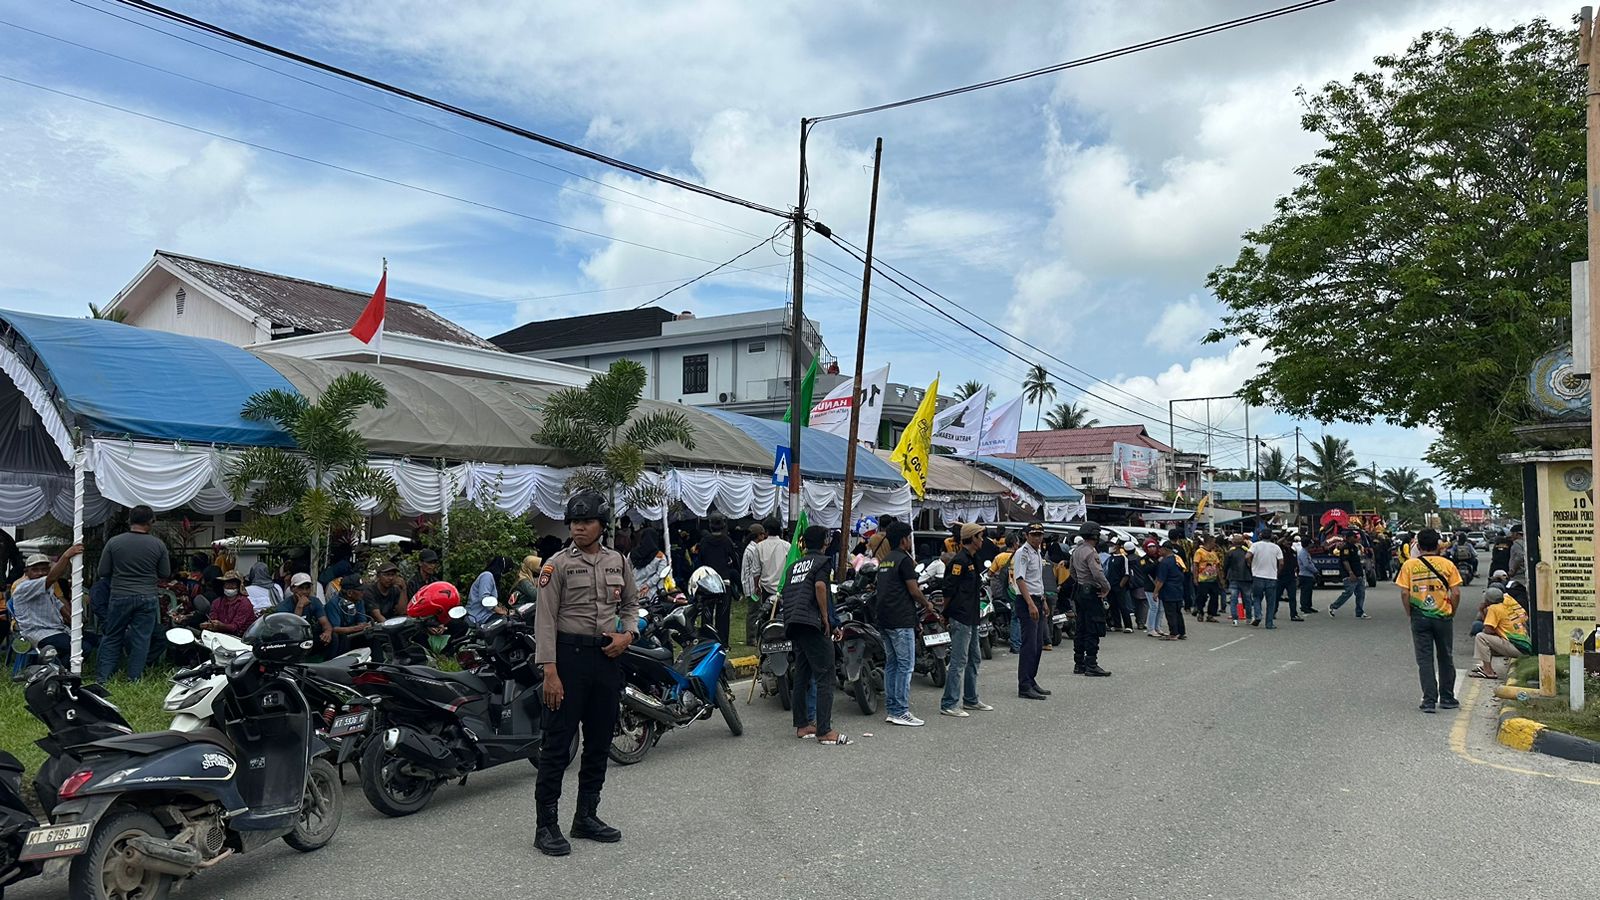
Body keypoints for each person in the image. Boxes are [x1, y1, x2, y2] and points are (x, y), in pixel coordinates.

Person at [533, 492, 640, 857]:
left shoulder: (618, 562)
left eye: (587, 521)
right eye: (574, 522)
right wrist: (550, 671)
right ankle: (546, 825)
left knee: (598, 743)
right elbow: (544, 620)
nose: (579, 527)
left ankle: (586, 817)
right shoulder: (557, 565)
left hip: (606, 659)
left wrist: (627, 634)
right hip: (568, 660)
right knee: (558, 746)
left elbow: (630, 604)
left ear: (601, 526)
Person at [780, 524, 848, 744]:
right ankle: (824, 730)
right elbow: (821, 588)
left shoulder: (794, 566)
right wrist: (827, 619)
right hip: (811, 623)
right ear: (825, 542)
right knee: (826, 676)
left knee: (802, 674)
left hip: (793, 623)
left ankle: (802, 725)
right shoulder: (822, 562)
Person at [97, 504, 171, 681]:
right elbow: (165, 573)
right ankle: (134, 678)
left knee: (112, 636)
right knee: (141, 640)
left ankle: (103, 678)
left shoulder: (114, 542)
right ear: (151, 521)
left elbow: (103, 571)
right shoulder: (158, 545)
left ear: (130, 520)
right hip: (147, 596)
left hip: (120, 595)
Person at [1395, 528, 1462, 713]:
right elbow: (1455, 592)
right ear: (1438, 544)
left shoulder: (1409, 565)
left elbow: (1404, 592)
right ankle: (1447, 697)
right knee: (1445, 656)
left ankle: (1429, 700)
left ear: (1419, 545)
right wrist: (1452, 611)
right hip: (1443, 616)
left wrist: (1410, 613)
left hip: (1419, 616)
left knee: (1424, 660)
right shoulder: (1448, 565)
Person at [877, 521, 933, 727]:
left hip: (884, 619)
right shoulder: (904, 560)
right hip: (900, 619)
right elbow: (913, 590)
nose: (910, 541)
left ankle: (893, 709)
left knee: (892, 664)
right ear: (903, 540)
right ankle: (900, 710)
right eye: (909, 538)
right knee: (905, 665)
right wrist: (927, 604)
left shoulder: (885, 560)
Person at [939, 524, 994, 716]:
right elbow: (948, 590)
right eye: (980, 537)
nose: (982, 540)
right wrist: (945, 613)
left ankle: (970, 699)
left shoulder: (974, 559)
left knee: (974, 658)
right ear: (971, 538)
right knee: (959, 660)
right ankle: (949, 703)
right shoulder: (959, 561)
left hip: (972, 616)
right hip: (960, 616)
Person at [10, 546, 81, 657]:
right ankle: (58, 672)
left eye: (44, 570)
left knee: (92, 640)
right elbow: (52, 578)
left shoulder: (48, 587)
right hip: (37, 633)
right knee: (80, 647)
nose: (40, 573)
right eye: (35, 570)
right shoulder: (24, 586)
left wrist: (75, 622)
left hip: (56, 630)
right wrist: (66, 556)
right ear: (26, 572)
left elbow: (60, 605)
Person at [1011, 522, 1050, 700]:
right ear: (1026, 535)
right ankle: (1024, 685)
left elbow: (1036, 580)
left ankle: (1031, 680)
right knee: (1029, 645)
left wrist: (1042, 601)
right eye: (1034, 535)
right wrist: (1030, 603)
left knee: (1038, 645)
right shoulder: (1023, 553)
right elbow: (1020, 579)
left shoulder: (1037, 552)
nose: (1037, 538)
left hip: (1037, 599)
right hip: (1026, 601)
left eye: (1040, 534)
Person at [1071, 523, 1113, 675]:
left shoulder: (1077, 551)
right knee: (1093, 628)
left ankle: (1079, 663)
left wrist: (1081, 582)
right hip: (1091, 593)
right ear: (1095, 535)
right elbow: (1097, 573)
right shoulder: (1090, 552)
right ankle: (1091, 664)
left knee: (1080, 627)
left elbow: (1072, 572)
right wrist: (1106, 587)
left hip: (1080, 590)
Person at [693, 514, 737, 646]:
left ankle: (707, 640)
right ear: (723, 525)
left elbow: (699, 561)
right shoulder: (727, 540)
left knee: (707, 613)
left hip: (708, 582)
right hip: (724, 581)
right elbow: (735, 560)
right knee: (723, 615)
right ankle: (722, 642)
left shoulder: (704, 542)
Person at [748, 518, 791, 645]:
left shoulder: (759, 547)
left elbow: (756, 570)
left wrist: (756, 586)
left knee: (766, 618)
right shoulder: (787, 546)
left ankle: (765, 642)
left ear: (766, 532)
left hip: (766, 588)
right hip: (783, 588)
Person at [1471, 586, 1529, 679]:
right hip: (1524, 645)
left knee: (1481, 637)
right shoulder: (1508, 602)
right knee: (1488, 639)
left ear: (1488, 601)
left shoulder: (1494, 608)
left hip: (1516, 647)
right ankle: (1485, 667)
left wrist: (1482, 610)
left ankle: (1488, 672)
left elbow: (1488, 630)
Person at [280, 573, 334, 655]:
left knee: (335, 636)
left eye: (307, 588)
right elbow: (291, 632)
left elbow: (325, 623)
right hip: (292, 641)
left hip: (309, 638)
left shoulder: (315, 601)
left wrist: (328, 632)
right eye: (301, 588)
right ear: (292, 589)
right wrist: (300, 606)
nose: (305, 592)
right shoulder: (284, 607)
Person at [326, 574, 372, 653]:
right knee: (339, 637)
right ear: (349, 593)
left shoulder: (359, 601)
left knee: (371, 636)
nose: (363, 593)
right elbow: (335, 629)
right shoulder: (333, 604)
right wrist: (356, 628)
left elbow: (362, 621)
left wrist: (365, 626)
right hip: (340, 637)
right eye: (360, 591)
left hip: (352, 633)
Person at [203, 570, 257, 637]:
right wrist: (209, 625)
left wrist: (222, 626)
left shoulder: (244, 603)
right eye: (227, 583)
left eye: (233, 584)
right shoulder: (217, 602)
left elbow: (236, 627)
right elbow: (213, 618)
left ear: (238, 586)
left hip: (242, 639)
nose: (229, 586)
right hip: (219, 637)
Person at [1246, 532, 1283, 629]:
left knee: (1257, 598)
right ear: (1271, 537)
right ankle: (1269, 623)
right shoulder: (1276, 547)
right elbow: (1281, 562)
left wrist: (1251, 565)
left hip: (1257, 576)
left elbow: (1247, 556)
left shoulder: (1255, 545)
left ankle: (1258, 615)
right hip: (1271, 577)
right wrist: (1277, 572)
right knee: (1271, 602)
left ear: (1260, 536)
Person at [1328, 531, 1369, 618]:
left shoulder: (1354, 547)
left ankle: (1359, 612)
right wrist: (1350, 573)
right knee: (1348, 592)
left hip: (1358, 574)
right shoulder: (1345, 548)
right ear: (1350, 537)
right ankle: (1333, 606)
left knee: (1361, 593)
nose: (1356, 538)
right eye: (1355, 537)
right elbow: (1345, 561)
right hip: (1350, 575)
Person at [1153, 543, 1188, 641]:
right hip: (1178, 588)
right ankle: (1181, 632)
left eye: (1161, 549)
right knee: (1178, 612)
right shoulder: (1177, 559)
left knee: (1170, 613)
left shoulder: (1165, 563)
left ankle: (1173, 633)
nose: (1159, 551)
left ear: (1165, 549)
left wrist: (1155, 592)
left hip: (1168, 590)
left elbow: (1161, 580)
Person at [469, 556, 508, 625]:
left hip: (485, 614)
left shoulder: (491, 577)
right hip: (478, 615)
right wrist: (498, 610)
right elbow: (484, 599)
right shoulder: (487, 576)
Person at [1106, 541, 1135, 634]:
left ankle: (1128, 626)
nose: (1111, 547)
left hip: (1119, 586)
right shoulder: (1110, 558)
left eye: (1112, 545)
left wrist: (1121, 585)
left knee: (1123, 606)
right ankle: (1117, 624)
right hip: (1110, 585)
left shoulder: (1123, 558)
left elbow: (1126, 573)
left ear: (1118, 546)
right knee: (1113, 605)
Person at [1192, 533, 1222, 623]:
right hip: (1203, 579)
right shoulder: (1199, 552)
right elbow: (1195, 565)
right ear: (1209, 542)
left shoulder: (1213, 553)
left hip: (1213, 579)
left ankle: (1211, 614)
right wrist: (1195, 577)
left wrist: (1220, 579)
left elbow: (1217, 566)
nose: (1215, 544)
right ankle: (1200, 612)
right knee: (1202, 597)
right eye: (1213, 542)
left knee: (1214, 597)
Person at [1224, 534, 1252, 625]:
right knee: (1247, 599)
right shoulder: (1247, 551)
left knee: (1233, 599)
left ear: (1233, 542)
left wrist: (1224, 577)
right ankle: (1249, 617)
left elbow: (1226, 565)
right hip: (1246, 577)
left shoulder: (1230, 552)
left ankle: (1235, 619)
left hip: (1233, 577)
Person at [1294, 536, 1319, 616]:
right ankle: (1304, 606)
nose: (1312, 545)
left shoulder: (1306, 552)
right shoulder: (1303, 553)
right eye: (1311, 544)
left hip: (1308, 575)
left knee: (1309, 592)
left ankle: (1308, 605)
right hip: (1305, 575)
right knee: (1305, 592)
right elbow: (1307, 564)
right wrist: (1315, 571)